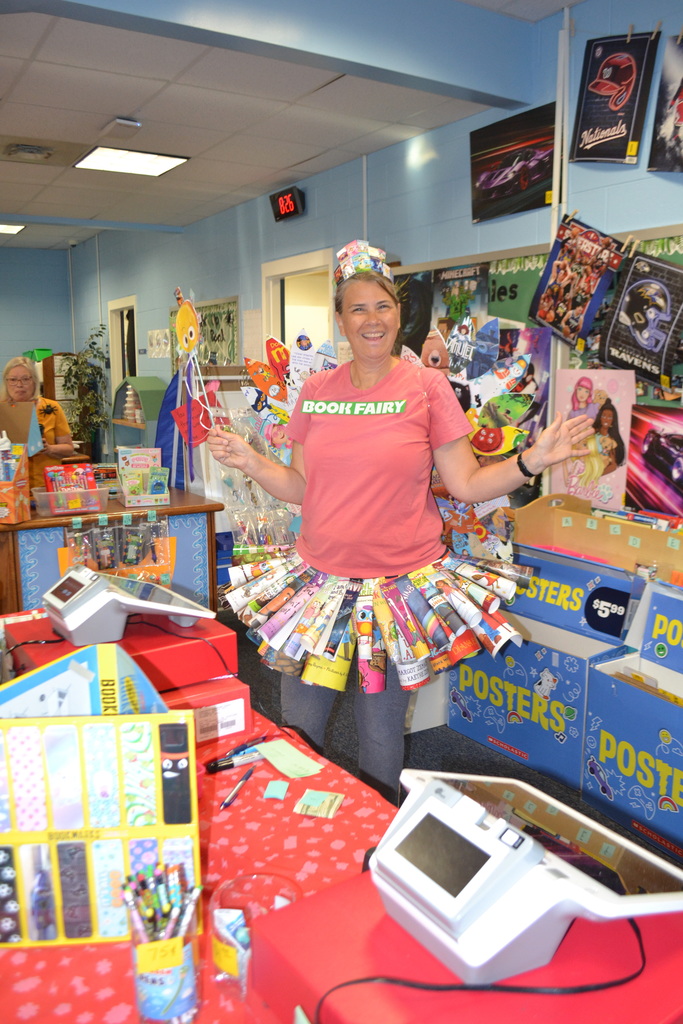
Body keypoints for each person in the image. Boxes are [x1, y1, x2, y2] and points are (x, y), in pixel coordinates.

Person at [207, 254, 593, 802]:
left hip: (396, 594)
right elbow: (300, 486)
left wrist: (532, 459)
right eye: (357, 308)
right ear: (339, 319)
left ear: (397, 313)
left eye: (382, 306)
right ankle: (301, 840)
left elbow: (465, 483)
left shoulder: (427, 388)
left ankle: (373, 847)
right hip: (318, 587)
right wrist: (250, 461)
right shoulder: (316, 391)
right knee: (297, 726)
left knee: (380, 733)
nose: (371, 319)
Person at [0, 357, 75, 492]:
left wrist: (49, 448)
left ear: (34, 381)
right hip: (9, 488)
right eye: (13, 380)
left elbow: (68, 449)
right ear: (6, 382)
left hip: (45, 486)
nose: (19, 384)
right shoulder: (1, 409)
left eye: (25, 379)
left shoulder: (52, 407)